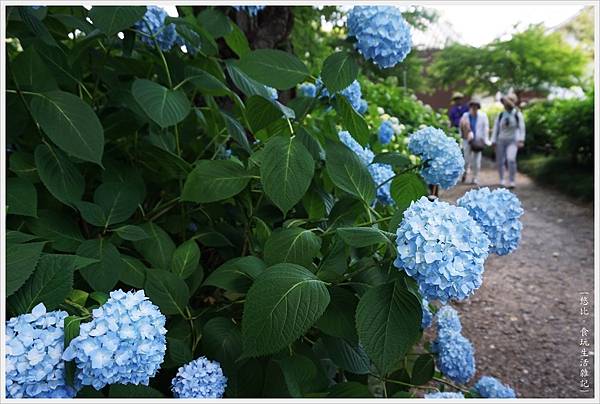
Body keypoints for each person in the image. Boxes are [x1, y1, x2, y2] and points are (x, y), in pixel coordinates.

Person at [491, 93, 525, 189]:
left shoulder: (517, 114)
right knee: (500, 161)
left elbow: (522, 128)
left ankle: (512, 181)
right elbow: (496, 128)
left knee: (511, 159)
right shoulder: (501, 115)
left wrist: (521, 140)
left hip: (513, 141)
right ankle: (501, 179)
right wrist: (493, 141)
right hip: (501, 140)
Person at [459, 97, 489, 185]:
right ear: (470, 106)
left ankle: (475, 177)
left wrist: (485, 140)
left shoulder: (483, 116)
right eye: (472, 106)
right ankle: (464, 173)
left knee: (477, 160)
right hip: (467, 140)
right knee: (466, 159)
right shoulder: (465, 115)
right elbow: (461, 127)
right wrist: (463, 136)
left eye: (476, 106)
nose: (474, 107)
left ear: (478, 107)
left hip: (478, 140)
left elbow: (485, 128)